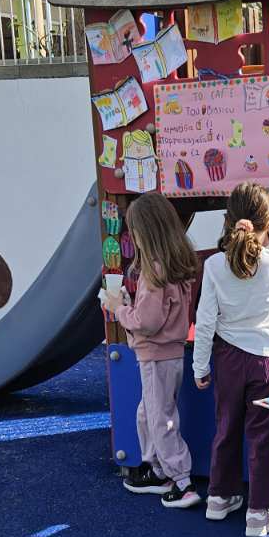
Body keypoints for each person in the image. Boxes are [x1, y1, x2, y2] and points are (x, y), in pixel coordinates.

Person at [193, 183, 269, 537]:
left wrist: (200, 366)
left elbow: (205, 321)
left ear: (228, 221)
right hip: (267, 359)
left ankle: (218, 498)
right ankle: (258, 512)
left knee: (225, 427)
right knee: (261, 435)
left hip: (227, 358)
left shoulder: (213, 264)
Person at [101, 192, 201, 509]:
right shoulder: (173, 267)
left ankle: (182, 482)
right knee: (150, 413)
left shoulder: (154, 272)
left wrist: (119, 309)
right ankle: (157, 470)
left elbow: (147, 322)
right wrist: (130, 307)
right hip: (167, 354)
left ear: (144, 233)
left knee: (160, 419)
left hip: (156, 356)